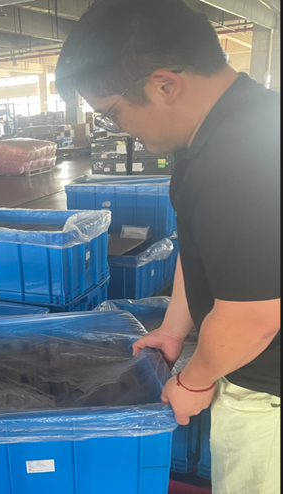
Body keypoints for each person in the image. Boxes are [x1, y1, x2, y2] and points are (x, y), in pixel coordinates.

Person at [56, 1, 280, 493]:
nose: (118, 128)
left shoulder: (245, 157)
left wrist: (195, 381)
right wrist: (174, 328)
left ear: (164, 85)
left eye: (112, 113)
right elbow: (199, 249)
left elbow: (253, 317)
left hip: (270, 394)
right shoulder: (216, 134)